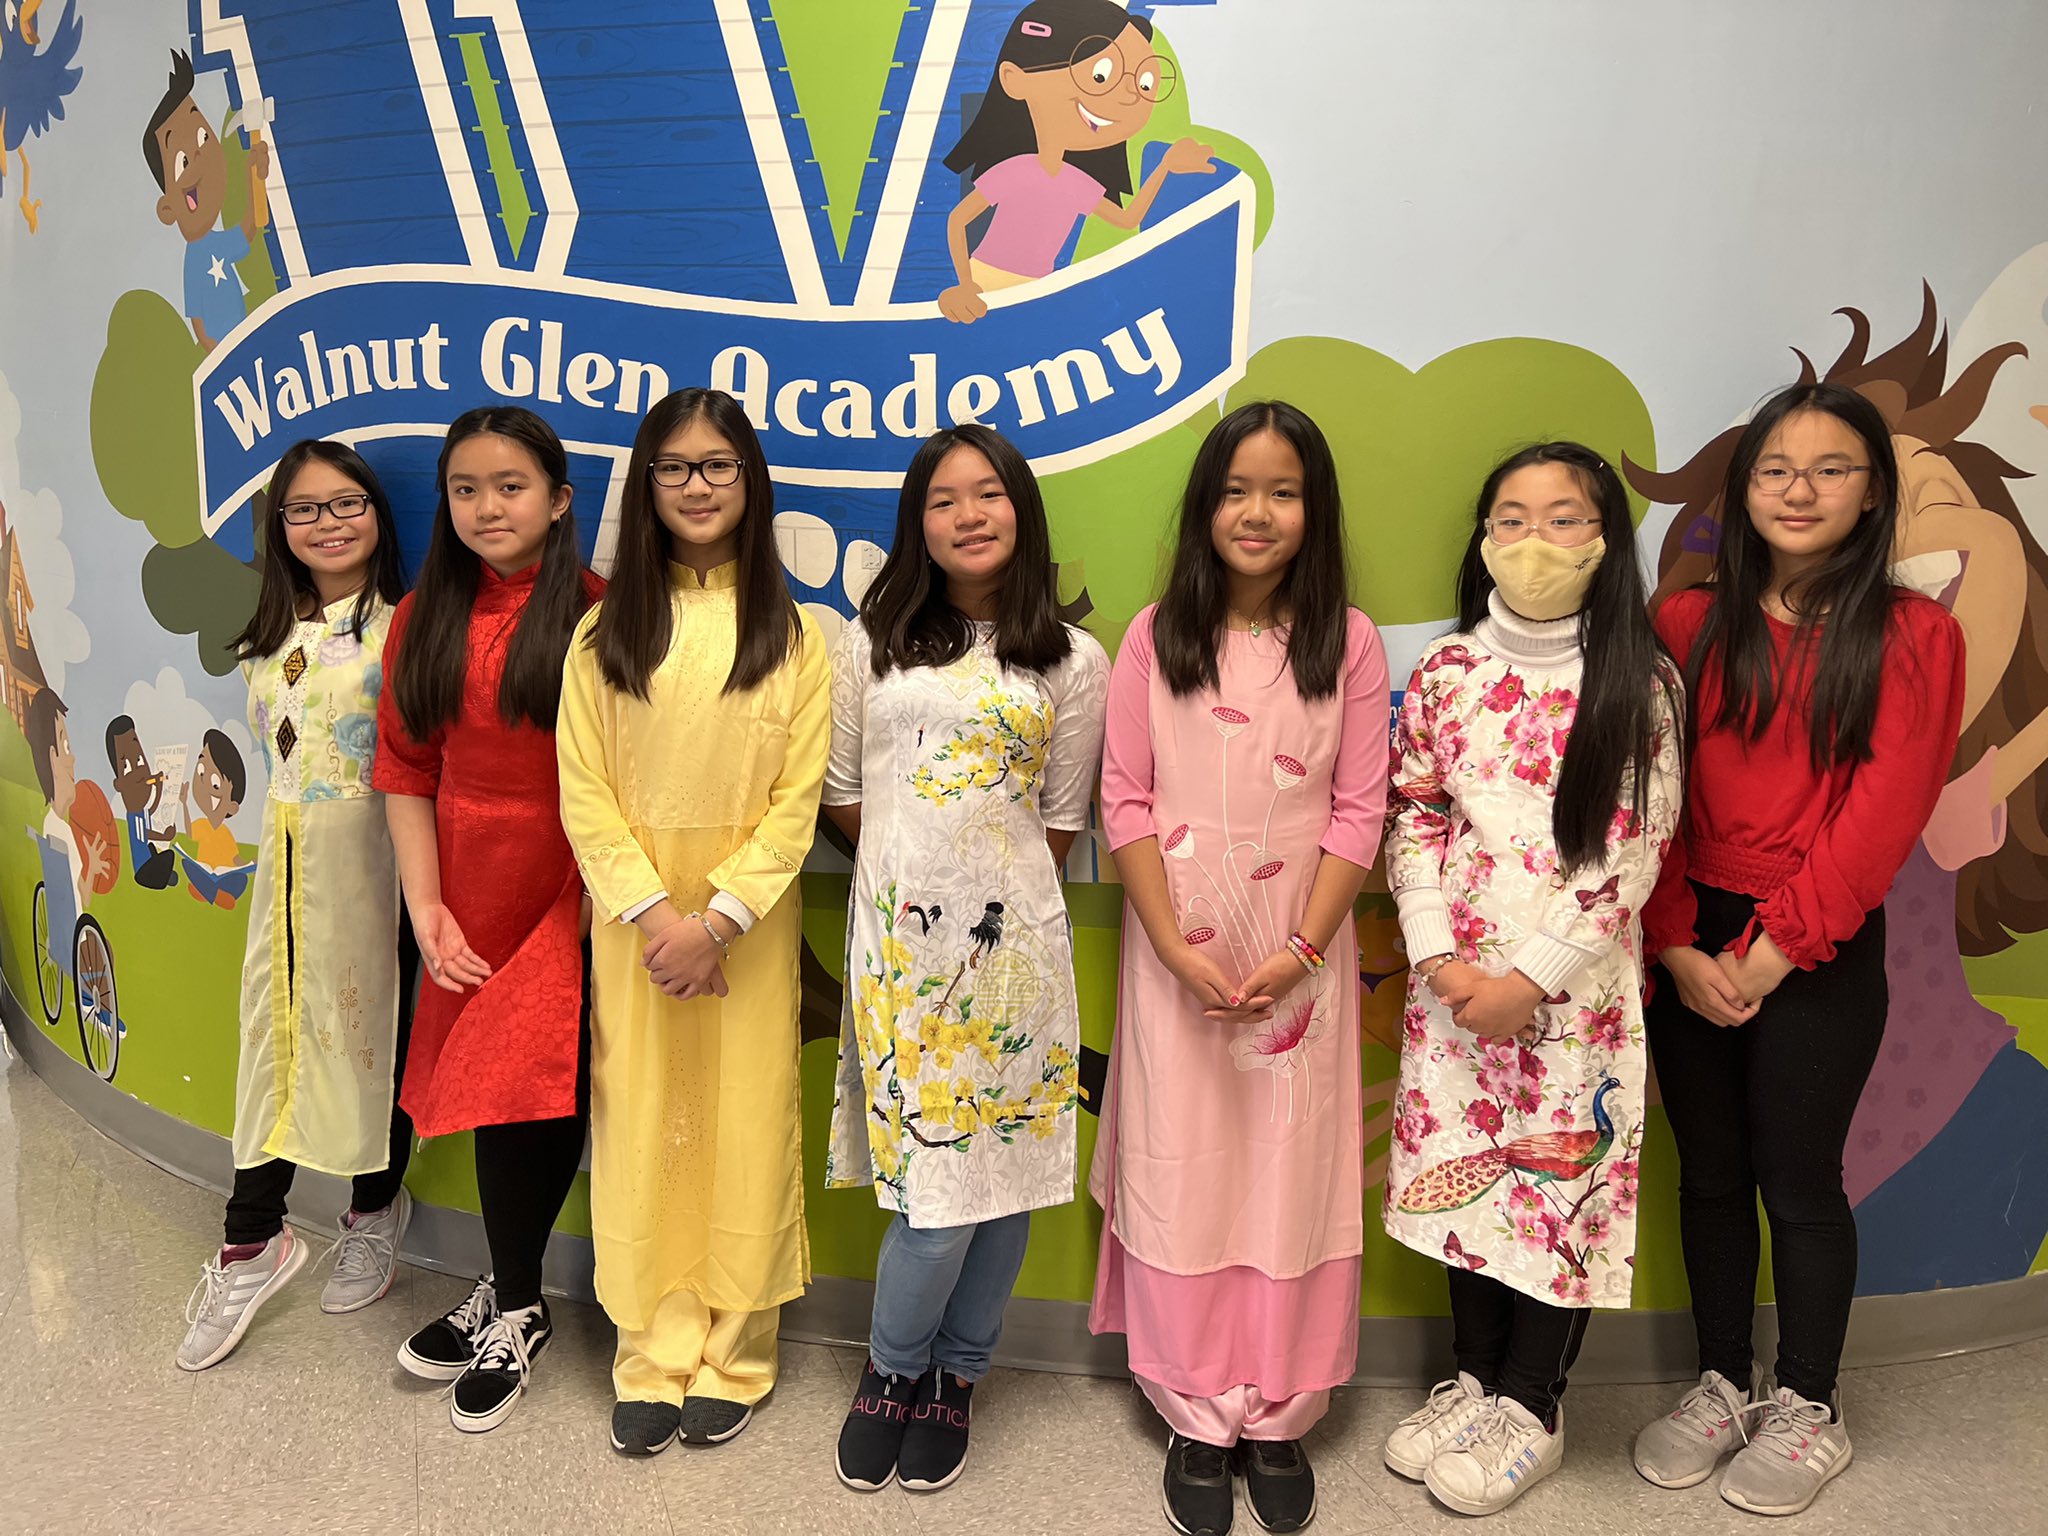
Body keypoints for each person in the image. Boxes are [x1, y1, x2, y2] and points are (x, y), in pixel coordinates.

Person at [1633, 382, 1965, 1516]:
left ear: (1871, 494)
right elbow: (1651, 795)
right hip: (1688, 933)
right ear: (1742, 491)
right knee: (1710, 1174)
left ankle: (1809, 1402)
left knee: (1799, 1179)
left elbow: (1881, 817)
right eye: (1775, 469)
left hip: (1817, 946)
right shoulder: (1685, 621)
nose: (1799, 490)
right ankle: (1722, 1383)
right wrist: (1675, 942)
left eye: (1830, 469)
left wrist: (1772, 952)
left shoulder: (1916, 636)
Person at [1088, 401, 1389, 1536]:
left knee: (1287, 1178)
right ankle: (1193, 1409)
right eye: (1234, 490)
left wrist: (1303, 950)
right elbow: (1123, 798)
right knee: (1186, 1170)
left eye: (1282, 491)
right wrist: (1171, 945)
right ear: (1204, 507)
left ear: (1314, 510)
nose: (1256, 513)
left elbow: (1359, 809)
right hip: (1174, 961)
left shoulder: (1347, 643)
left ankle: (1280, 1411)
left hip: (1301, 963)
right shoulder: (1153, 636)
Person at [1379, 443, 1683, 1516]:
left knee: (1556, 1194)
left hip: (1571, 1003)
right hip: (1453, 990)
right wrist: (1436, 954)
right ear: (1482, 538)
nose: (1533, 540)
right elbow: (1415, 811)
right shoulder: (1447, 671)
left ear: (1604, 541)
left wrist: (1531, 979)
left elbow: (1631, 848)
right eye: (1510, 518)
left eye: (1563, 518)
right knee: (1464, 1183)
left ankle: (1531, 1406)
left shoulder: (1639, 680)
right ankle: (1472, 1380)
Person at [825, 424, 1109, 1493]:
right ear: (920, 525)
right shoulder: (870, 642)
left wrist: (984, 898)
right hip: (901, 958)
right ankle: (891, 1368)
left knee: (1006, 1183)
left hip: (1013, 960)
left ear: (1020, 510)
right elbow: (841, 791)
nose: (967, 515)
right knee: (932, 1199)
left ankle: (959, 1373)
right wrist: (920, 886)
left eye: (987, 493)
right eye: (943, 500)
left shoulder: (1073, 660)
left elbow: (1062, 818)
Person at [557, 388, 830, 1456]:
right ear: (647, 485)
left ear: (750, 482)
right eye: (674, 467)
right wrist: (655, 916)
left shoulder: (794, 637)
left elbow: (796, 804)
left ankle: (738, 1351)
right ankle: (650, 1352)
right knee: (642, 1126)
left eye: (719, 465)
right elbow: (584, 791)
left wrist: (714, 921)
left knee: (744, 1127)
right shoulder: (602, 632)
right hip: (635, 929)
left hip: (745, 930)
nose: (697, 486)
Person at [376, 406, 603, 1434]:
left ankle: (516, 1306)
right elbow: (406, 768)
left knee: (534, 1091)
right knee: (483, 1089)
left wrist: (599, 900)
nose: (486, 507)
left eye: (510, 486)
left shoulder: (600, 613)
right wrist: (426, 906)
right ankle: (510, 1283)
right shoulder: (420, 616)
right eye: (464, 489)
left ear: (558, 501)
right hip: (463, 885)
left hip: (566, 887)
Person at [175, 438, 418, 1371]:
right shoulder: (271, 632)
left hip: (375, 862)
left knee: (370, 1034)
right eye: (305, 509)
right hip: (283, 868)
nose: (328, 523)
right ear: (279, 527)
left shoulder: (403, 630)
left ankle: (374, 1208)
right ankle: (253, 1238)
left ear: (377, 514)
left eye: (347, 503)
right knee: (272, 1044)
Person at [935, 0, 1211, 321]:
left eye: (1144, 84)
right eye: (1100, 76)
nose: (1129, 96)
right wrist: (964, 283)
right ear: (1015, 79)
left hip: (1038, 287)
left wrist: (1164, 167)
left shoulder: (1077, 183)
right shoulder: (1015, 170)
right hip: (986, 278)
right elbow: (958, 220)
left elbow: (1127, 220)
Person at [106, 716, 178, 889]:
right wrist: (164, 837)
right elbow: (144, 834)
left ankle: (164, 876)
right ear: (119, 785)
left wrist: (159, 788)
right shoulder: (133, 816)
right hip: (143, 869)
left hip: (148, 861)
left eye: (139, 761)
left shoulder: (140, 811)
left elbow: (151, 809)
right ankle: (162, 877)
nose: (140, 774)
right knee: (166, 855)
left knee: (155, 851)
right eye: (127, 767)